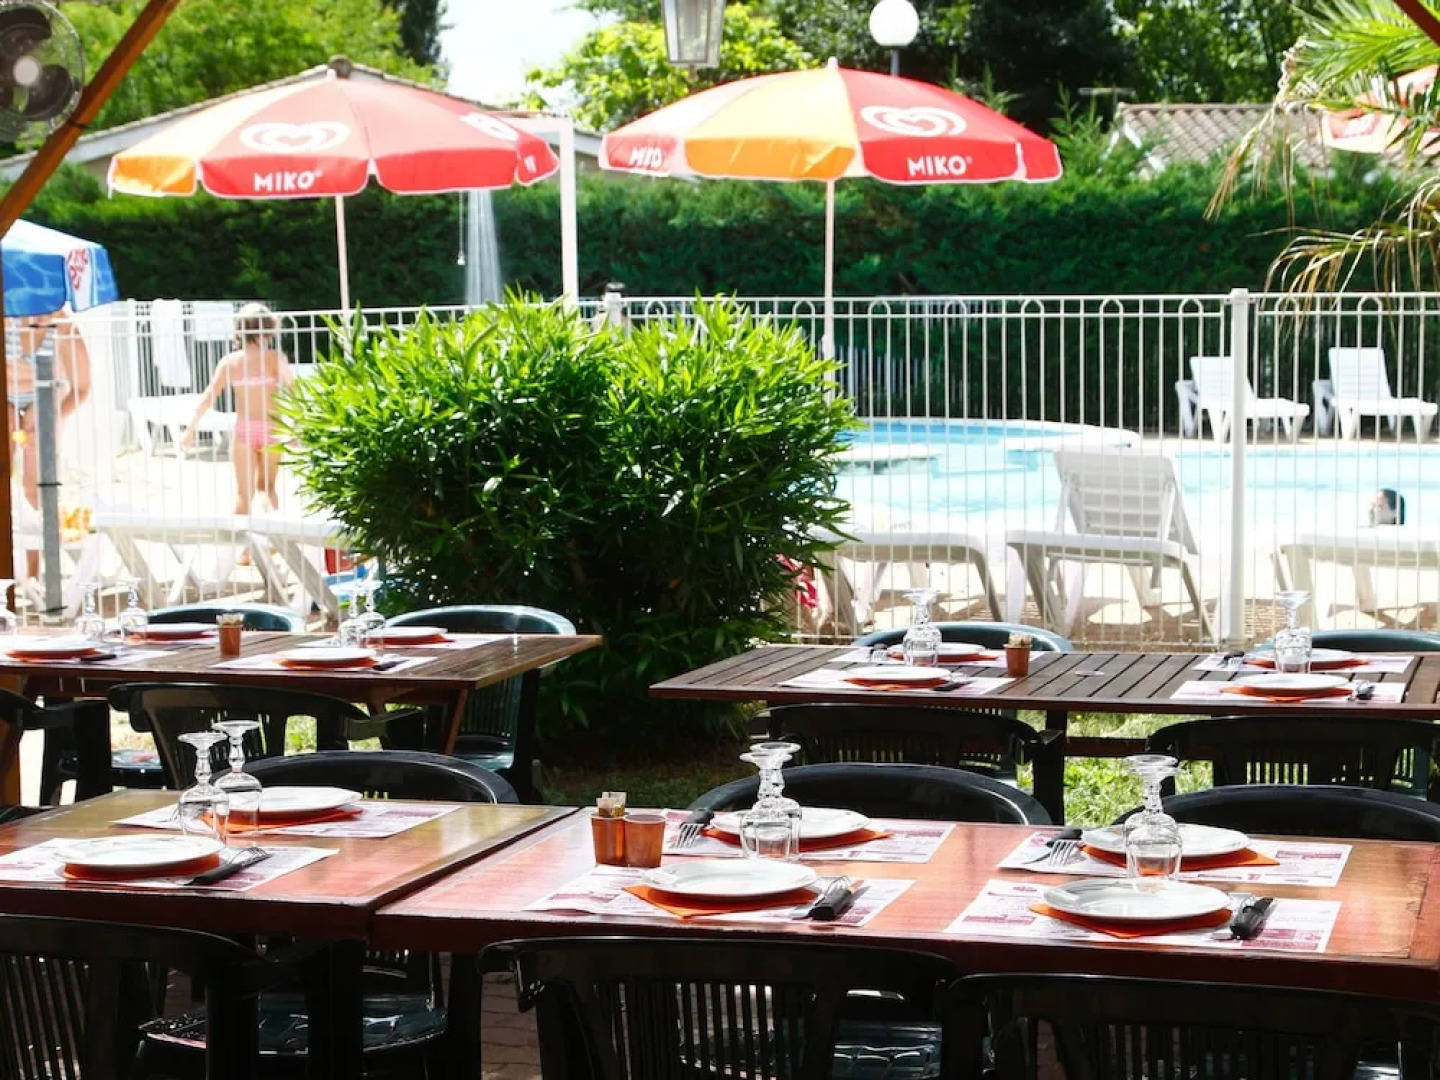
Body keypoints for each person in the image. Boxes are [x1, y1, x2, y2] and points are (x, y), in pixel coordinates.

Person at [179, 303, 295, 519]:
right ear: (268, 329)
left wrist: (190, 429)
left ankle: (243, 550)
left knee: (243, 495)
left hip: (244, 431)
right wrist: (298, 427)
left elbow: (208, 397)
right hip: (273, 428)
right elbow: (294, 393)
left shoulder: (230, 362)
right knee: (267, 489)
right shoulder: (275, 359)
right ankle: (274, 541)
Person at [5, 308, 92, 578]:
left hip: (45, 395)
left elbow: (82, 388)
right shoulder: (7, 318)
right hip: (6, 396)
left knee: (38, 487)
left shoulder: (64, 327)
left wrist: (52, 420)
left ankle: (35, 572)